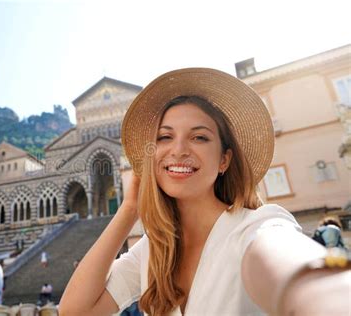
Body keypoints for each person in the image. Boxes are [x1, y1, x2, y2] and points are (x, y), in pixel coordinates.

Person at [59, 68, 350, 315]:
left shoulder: (256, 228)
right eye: (165, 137)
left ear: (224, 160)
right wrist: (129, 209)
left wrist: (326, 291)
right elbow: (73, 312)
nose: (179, 150)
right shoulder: (153, 250)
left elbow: (296, 268)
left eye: (199, 137)